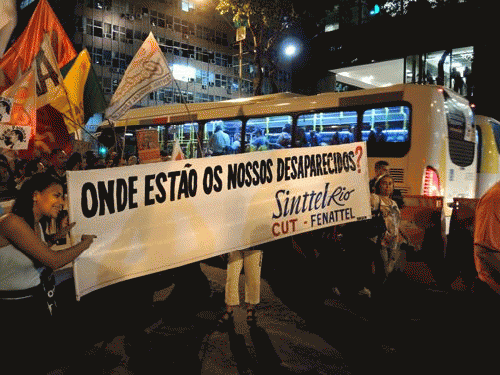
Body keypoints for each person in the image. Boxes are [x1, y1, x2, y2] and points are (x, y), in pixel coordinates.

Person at [0, 172, 96, 372]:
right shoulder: (12, 222)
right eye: (56, 195)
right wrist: (85, 244)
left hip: (34, 301)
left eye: (63, 196)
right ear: (35, 195)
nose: (61, 202)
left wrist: (56, 237)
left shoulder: (34, 223)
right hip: (13, 311)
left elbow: (36, 252)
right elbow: (52, 261)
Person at [372, 174, 404, 281]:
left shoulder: (394, 203)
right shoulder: (374, 198)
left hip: (393, 241)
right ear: (379, 185)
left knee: (389, 270)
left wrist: (403, 236)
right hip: (381, 240)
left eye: (390, 184)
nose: (388, 186)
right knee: (383, 270)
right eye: (385, 183)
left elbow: (396, 222)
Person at [220, 248, 263, 325]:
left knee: (253, 277)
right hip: (235, 244)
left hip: (254, 244)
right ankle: (229, 308)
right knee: (231, 277)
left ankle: (251, 309)